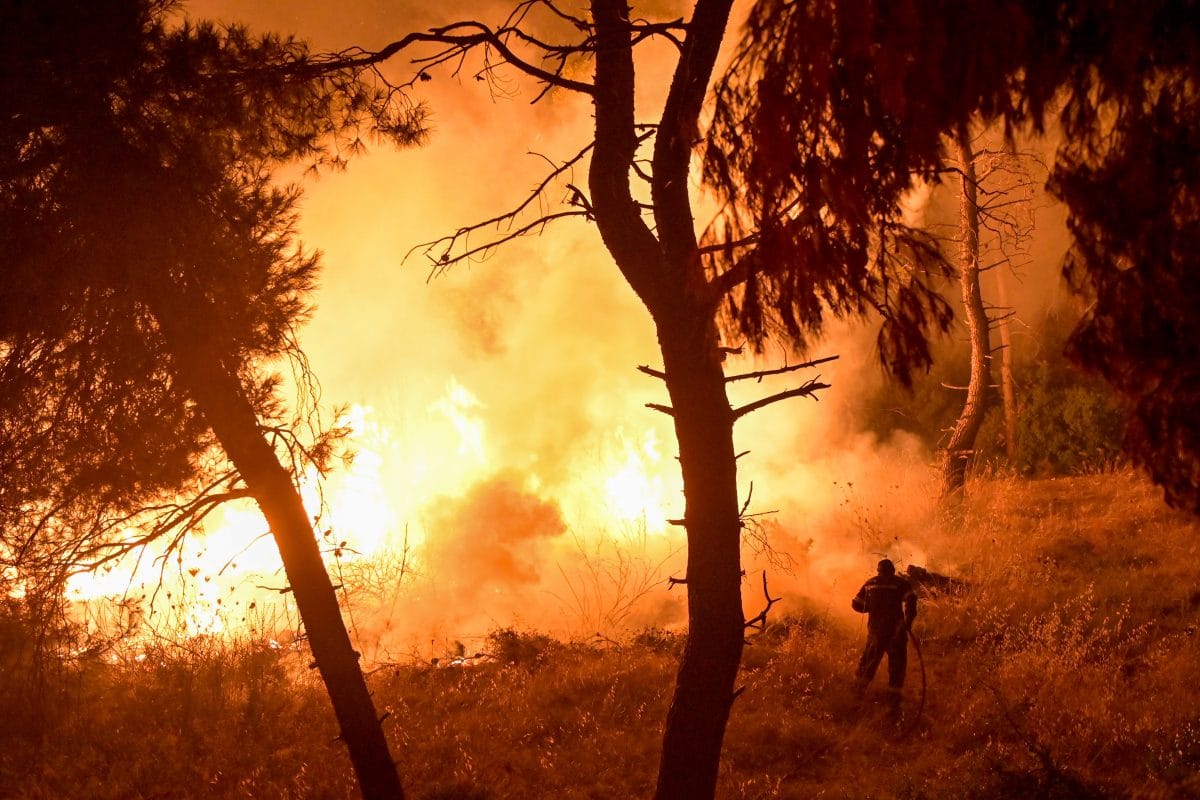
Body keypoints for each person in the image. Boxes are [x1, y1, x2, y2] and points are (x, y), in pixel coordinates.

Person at [851, 558, 917, 695]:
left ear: (878, 571)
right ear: (892, 570)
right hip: (896, 632)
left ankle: (857, 695)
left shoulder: (870, 583)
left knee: (868, 664)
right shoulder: (900, 582)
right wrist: (907, 622)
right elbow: (911, 600)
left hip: (875, 631)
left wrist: (872, 608)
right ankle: (894, 699)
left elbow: (856, 604)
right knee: (897, 667)